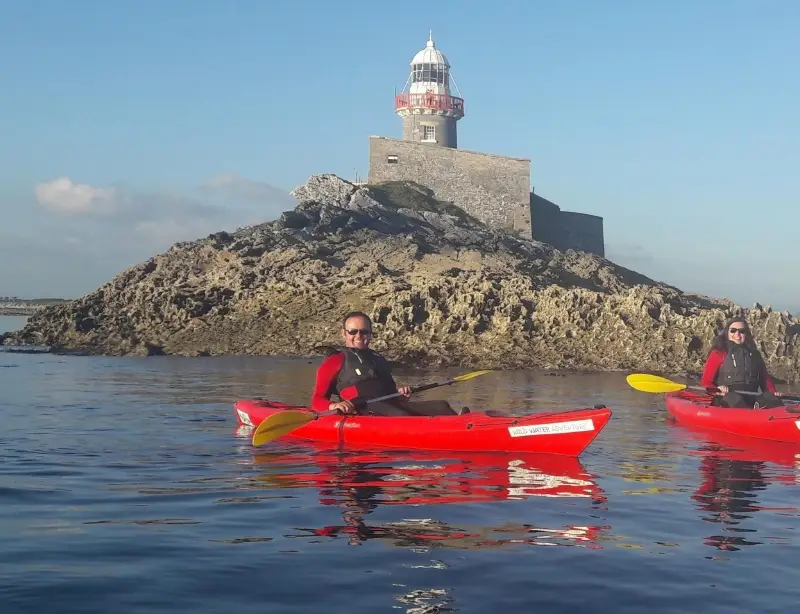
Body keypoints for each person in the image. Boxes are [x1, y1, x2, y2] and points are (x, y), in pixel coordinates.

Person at [310, 311, 461, 416]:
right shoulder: (335, 360)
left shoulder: (378, 359)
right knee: (400, 415)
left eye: (364, 331)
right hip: (361, 409)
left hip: (390, 405)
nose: (359, 335)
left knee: (442, 406)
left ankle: (467, 426)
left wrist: (400, 396)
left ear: (370, 334)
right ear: (344, 333)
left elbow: (391, 394)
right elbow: (317, 399)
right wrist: (333, 406)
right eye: (352, 331)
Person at [700, 317, 784, 408]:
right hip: (726, 397)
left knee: (771, 398)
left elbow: (765, 379)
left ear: (746, 334)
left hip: (751, 396)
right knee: (735, 399)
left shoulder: (755, 354)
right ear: (727, 333)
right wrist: (717, 390)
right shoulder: (718, 352)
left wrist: (773, 392)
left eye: (741, 331)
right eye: (733, 330)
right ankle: (749, 417)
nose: (737, 334)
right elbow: (706, 381)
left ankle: (761, 411)